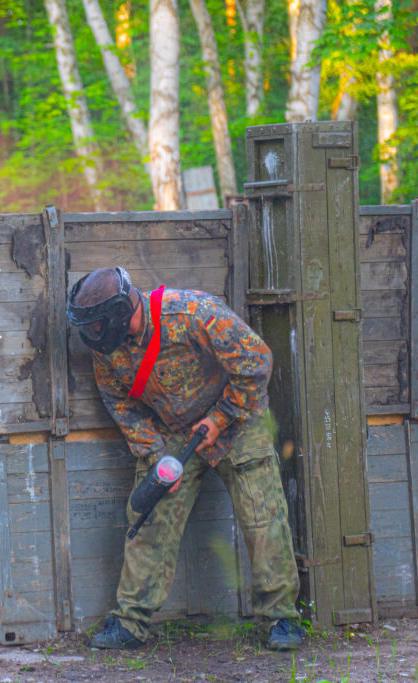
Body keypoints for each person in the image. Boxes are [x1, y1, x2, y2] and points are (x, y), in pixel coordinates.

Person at [66, 266, 303, 652]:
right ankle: (131, 622)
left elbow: (257, 362)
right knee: (148, 518)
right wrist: (157, 455)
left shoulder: (194, 313)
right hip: (176, 433)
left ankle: (282, 618)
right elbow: (119, 402)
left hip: (239, 419)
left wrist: (221, 417)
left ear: (117, 315)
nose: (90, 335)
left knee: (263, 518)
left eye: (94, 326)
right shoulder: (108, 350)